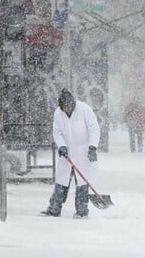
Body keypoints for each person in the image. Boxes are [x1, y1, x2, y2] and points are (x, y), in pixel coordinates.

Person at [40, 88, 100, 218]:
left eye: (68, 107)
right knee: (61, 181)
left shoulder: (84, 110)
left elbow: (94, 129)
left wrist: (92, 147)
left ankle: (82, 211)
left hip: (83, 153)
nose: (66, 109)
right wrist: (61, 145)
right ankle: (54, 209)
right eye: (64, 107)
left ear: (73, 104)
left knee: (82, 183)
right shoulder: (58, 113)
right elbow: (57, 132)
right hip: (66, 153)